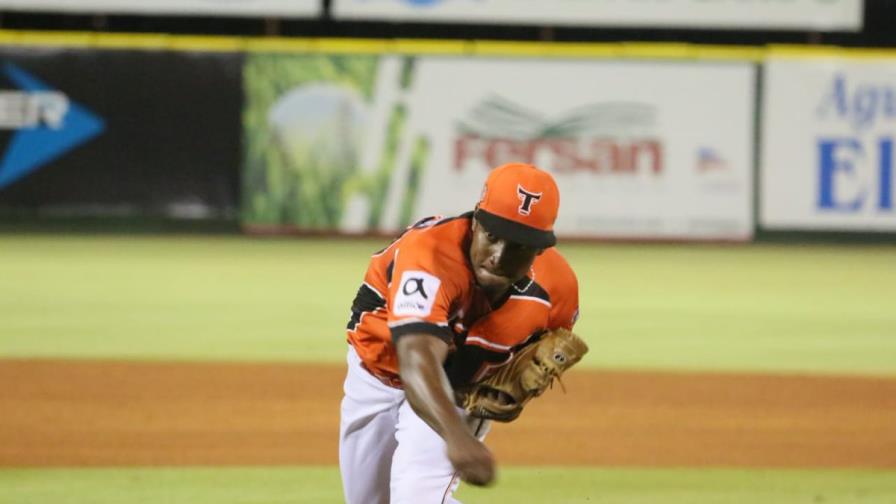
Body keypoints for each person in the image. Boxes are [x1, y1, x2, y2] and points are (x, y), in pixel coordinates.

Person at [339, 162, 579, 504]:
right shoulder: (429, 253)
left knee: (417, 499)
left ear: (541, 248)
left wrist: (516, 395)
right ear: (476, 221)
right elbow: (417, 359)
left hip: (460, 392)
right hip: (377, 374)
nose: (498, 256)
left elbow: (547, 352)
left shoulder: (557, 289)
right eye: (492, 236)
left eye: (518, 246)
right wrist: (457, 437)